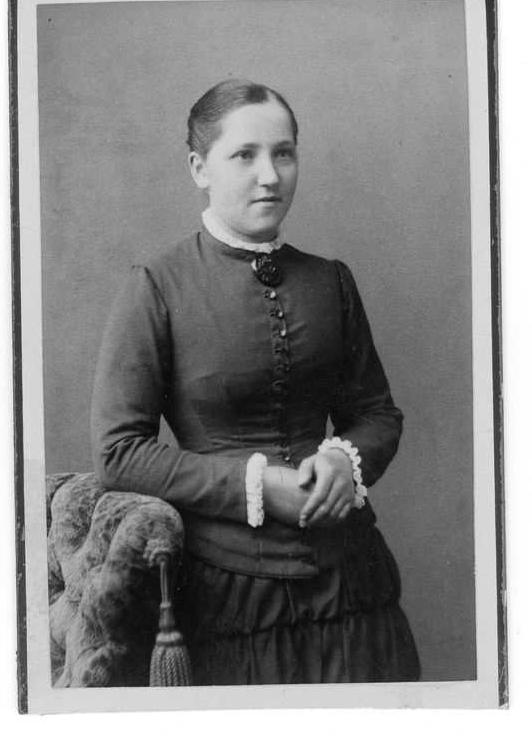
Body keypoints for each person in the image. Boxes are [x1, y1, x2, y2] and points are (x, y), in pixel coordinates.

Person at [91, 79, 420, 685]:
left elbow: (376, 414)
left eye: (283, 153)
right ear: (199, 168)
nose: (270, 176)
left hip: (353, 588)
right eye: (244, 155)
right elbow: (120, 452)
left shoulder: (331, 281)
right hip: (228, 597)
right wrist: (258, 485)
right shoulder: (156, 287)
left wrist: (344, 461)